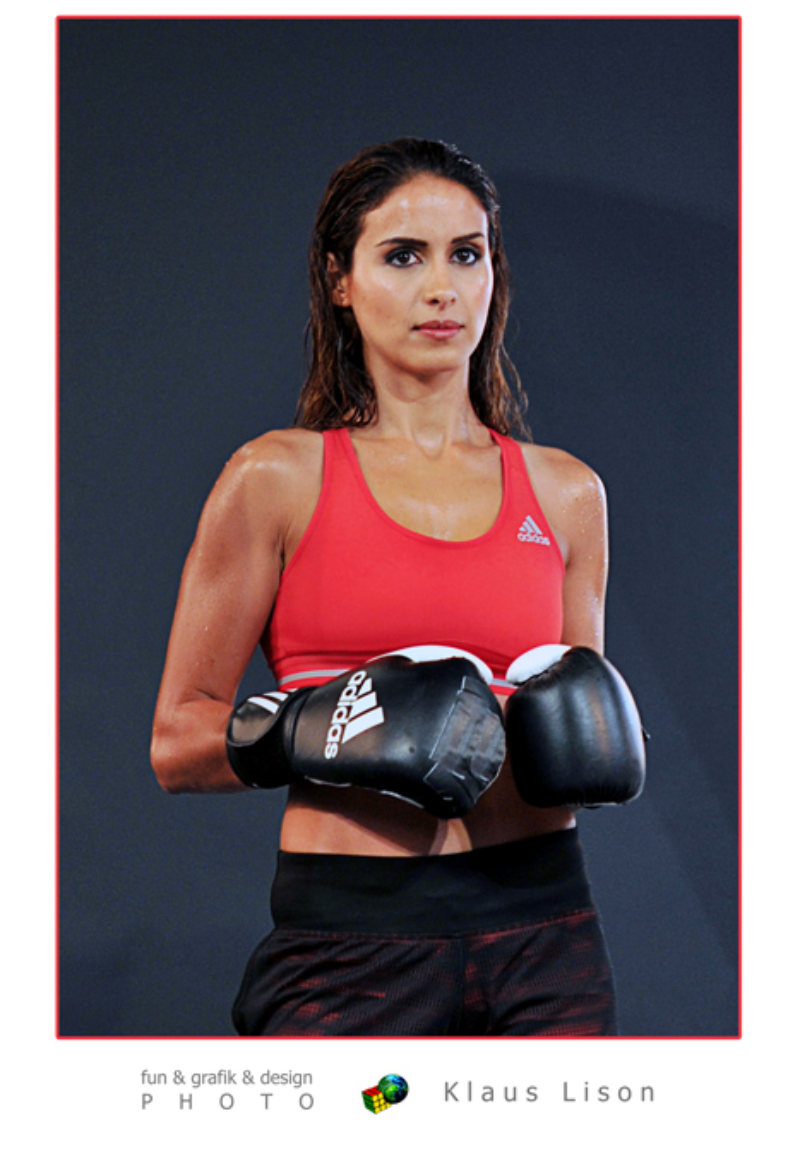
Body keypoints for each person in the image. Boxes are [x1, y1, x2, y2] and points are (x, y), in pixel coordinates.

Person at [150, 137, 645, 1037]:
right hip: (352, 941)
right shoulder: (276, 477)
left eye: (467, 254)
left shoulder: (568, 494)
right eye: (404, 256)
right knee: (370, 1116)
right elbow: (177, 742)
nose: (442, 288)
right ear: (340, 280)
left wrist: (591, 737)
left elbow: (574, 738)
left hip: (545, 933)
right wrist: (314, 729)